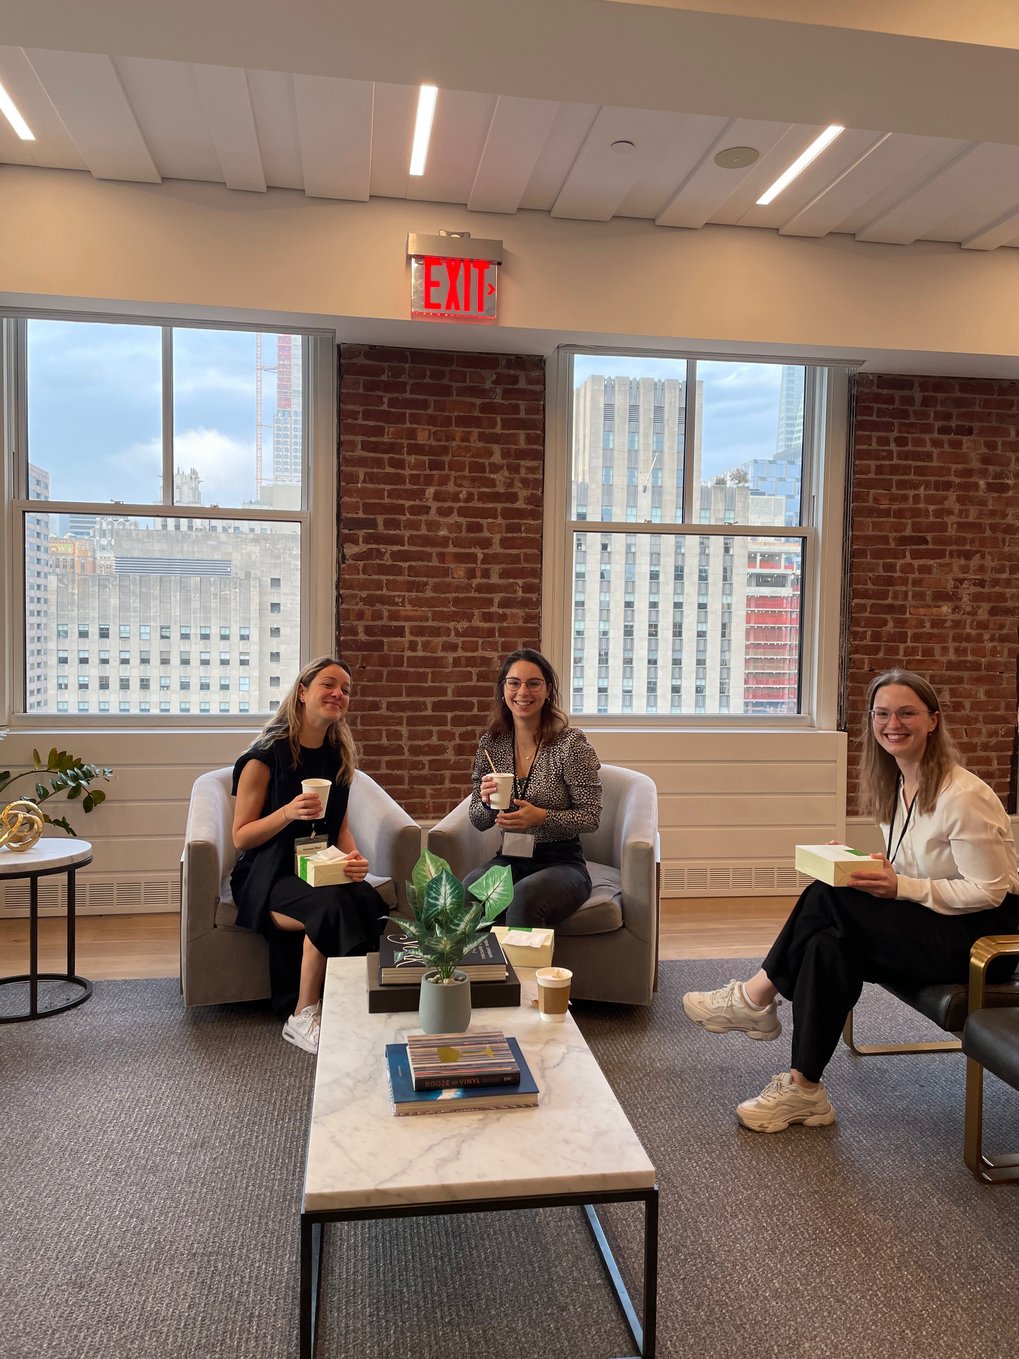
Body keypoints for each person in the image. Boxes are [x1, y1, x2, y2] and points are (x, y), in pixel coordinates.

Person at [683, 668, 1019, 1133]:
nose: (892, 723)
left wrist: (900, 887)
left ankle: (756, 996)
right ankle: (805, 1090)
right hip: (935, 921)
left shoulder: (964, 796)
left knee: (827, 897)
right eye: (882, 714)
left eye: (906, 713)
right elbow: (925, 868)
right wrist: (881, 872)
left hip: (983, 940)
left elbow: (990, 890)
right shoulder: (899, 784)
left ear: (933, 720)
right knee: (826, 945)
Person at [230, 656, 387, 1054]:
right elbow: (241, 838)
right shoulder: (264, 758)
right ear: (302, 692)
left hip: (318, 867)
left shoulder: (338, 757)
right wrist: (287, 813)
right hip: (267, 874)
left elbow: (343, 829)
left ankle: (354, 1003)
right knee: (330, 904)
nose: (339, 694)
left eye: (346, 690)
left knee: (367, 897)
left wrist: (354, 860)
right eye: (329, 685)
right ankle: (302, 1014)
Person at [466, 648, 602, 928]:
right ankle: (479, 971)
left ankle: (526, 973)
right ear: (503, 689)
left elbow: (591, 816)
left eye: (533, 683)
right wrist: (486, 802)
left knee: (524, 899)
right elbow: (478, 822)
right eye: (514, 683)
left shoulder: (570, 744)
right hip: (511, 857)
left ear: (548, 690)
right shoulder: (491, 744)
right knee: (468, 894)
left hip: (562, 862)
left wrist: (542, 817)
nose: (522, 692)